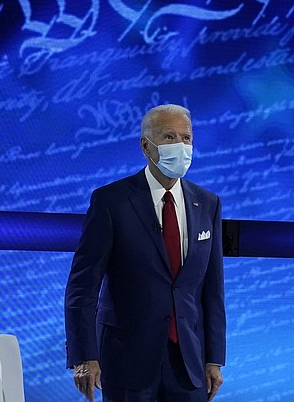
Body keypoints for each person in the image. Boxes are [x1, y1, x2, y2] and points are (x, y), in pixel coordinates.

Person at [65, 104, 226, 401]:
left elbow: (212, 290)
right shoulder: (111, 202)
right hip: (127, 360)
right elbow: (82, 288)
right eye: (168, 137)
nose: (180, 146)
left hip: (188, 363)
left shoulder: (208, 204)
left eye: (186, 138)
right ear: (146, 146)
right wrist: (84, 356)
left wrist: (214, 358)